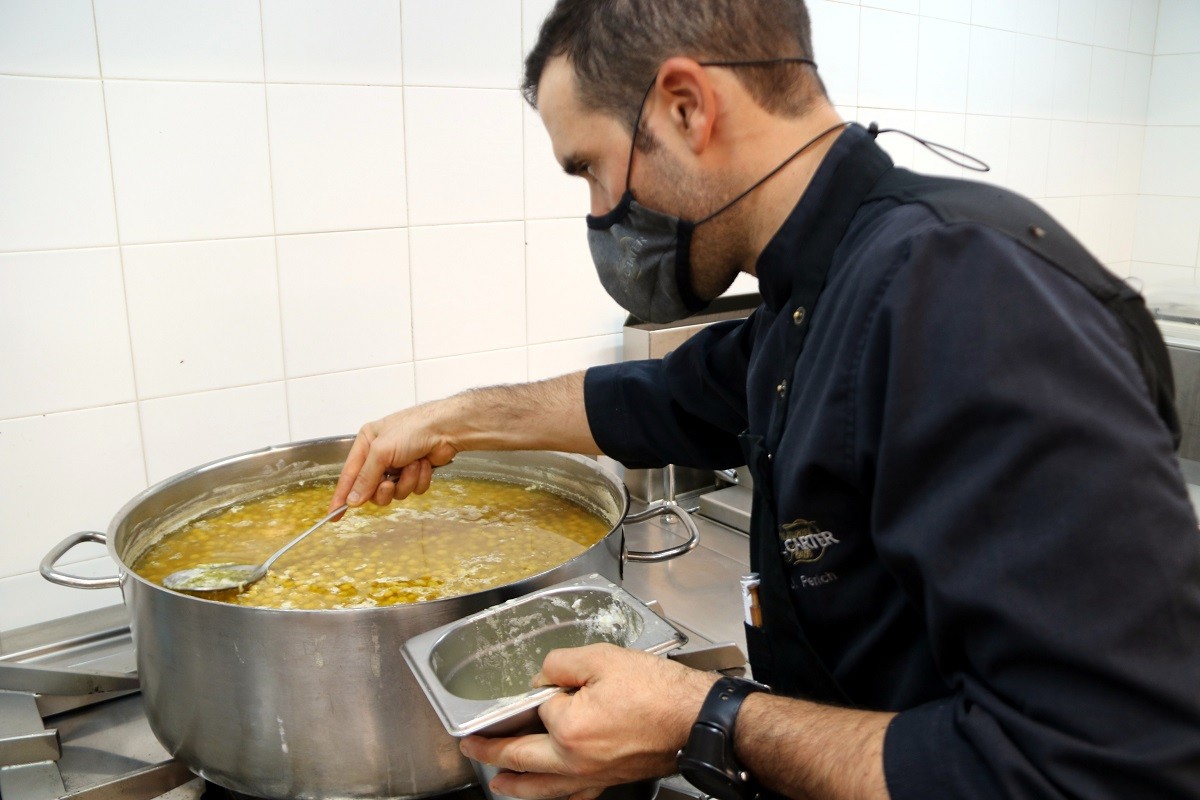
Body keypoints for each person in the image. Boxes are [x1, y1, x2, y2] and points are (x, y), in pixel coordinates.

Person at [330, 1, 1200, 797]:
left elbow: (1097, 768)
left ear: (685, 106)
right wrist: (447, 420)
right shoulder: (815, 294)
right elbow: (656, 398)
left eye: (591, 168)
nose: (601, 212)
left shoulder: (967, 294)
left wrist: (704, 720)